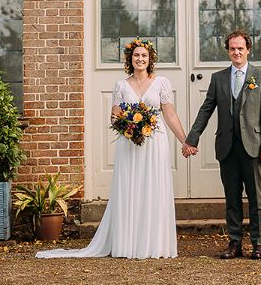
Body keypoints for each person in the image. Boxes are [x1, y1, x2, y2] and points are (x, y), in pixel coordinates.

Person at [37, 38, 188, 259]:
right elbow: (114, 116)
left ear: (150, 59)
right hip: (129, 144)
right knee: (130, 188)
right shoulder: (121, 86)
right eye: (136, 55)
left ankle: (154, 244)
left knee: (154, 188)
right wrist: (129, 124)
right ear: (130, 59)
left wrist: (185, 140)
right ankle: (129, 244)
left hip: (155, 143)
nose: (140, 59)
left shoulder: (161, 83)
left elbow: (170, 115)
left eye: (144, 56)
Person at [182, 30, 261, 259]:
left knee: (256, 199)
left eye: (240, 48)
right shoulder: (218, 78)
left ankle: (258, 244)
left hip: (253, 146)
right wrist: (192, 138)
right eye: (232, 48)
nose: (236, 52)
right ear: (228, 51)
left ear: (248, 50)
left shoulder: (260, 76)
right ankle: (234, 243)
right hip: (227, 147)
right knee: (232, 198)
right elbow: (206, 110)